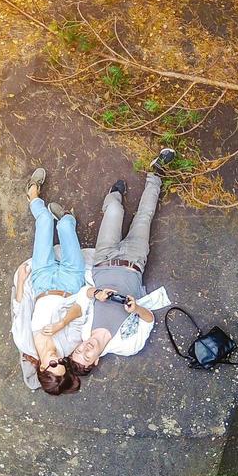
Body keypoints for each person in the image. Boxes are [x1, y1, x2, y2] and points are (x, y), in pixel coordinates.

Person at [67, 150, 175, 375]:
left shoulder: (83, 328)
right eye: (87, 356)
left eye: (79, 351)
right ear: (95, 362)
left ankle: (113, 196)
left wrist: (95, 294)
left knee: (116, 210)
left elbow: (81, 295)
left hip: (104, 259)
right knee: (144, 216)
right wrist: (136, 309)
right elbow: (149, 320)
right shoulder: (126, 346)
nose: (85, 348)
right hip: (134, 262)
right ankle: (157, 173)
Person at [11, 168, 89, 395]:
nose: (58, 360)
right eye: (62, 365)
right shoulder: (69, 345)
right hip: (70, 282)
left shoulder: (25, 342)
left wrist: (23, 282)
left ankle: (32, 194)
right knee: (65, 225)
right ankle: (67, 217)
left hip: (42, 281)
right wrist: (60, 324)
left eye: (53, 365)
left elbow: (20, 308)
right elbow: (80, 310)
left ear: (43, 367)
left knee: (44, 219)